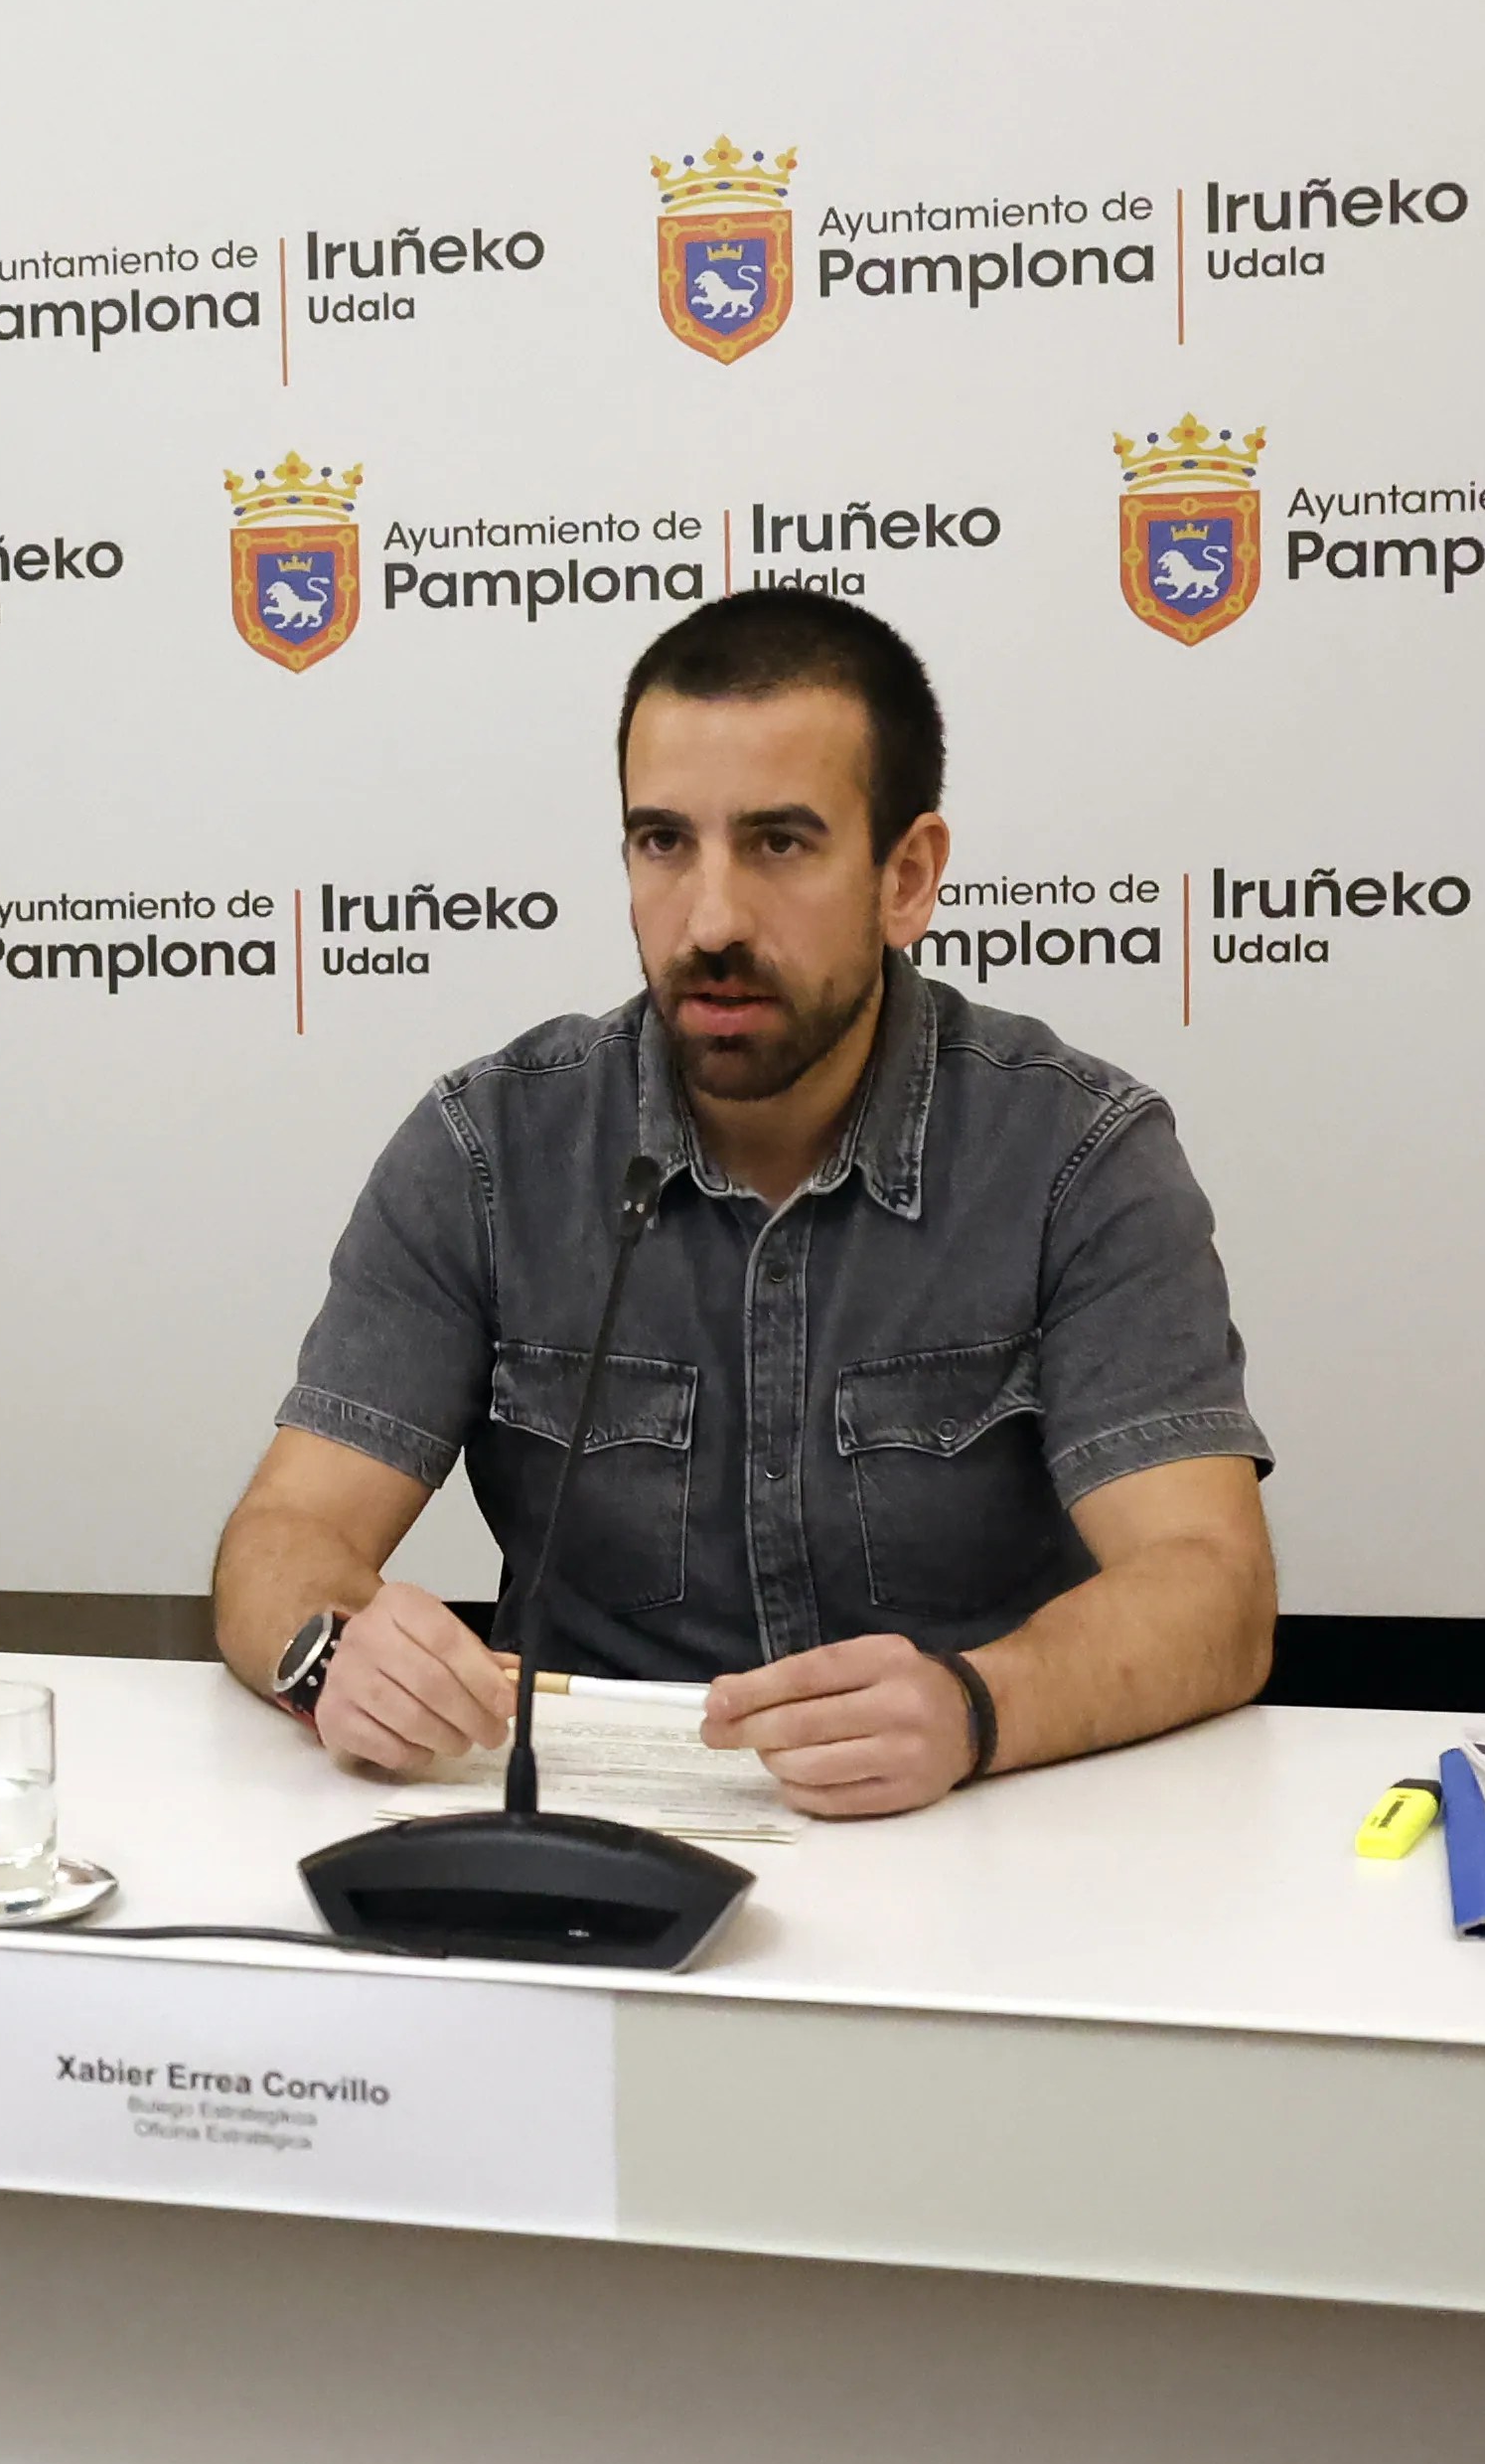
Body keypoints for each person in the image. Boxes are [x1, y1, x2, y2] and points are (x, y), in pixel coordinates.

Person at [209, 587, 1270, 1817]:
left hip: (974, 1829)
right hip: (589, 1838)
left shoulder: (1076, 1154)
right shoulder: (489, 1148)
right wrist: (331, 1658)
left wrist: (978, 1707)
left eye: (778, 844)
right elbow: (280, 1536)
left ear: (906, 876)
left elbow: (1213, 1585)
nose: (710, 919)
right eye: (664, 842)